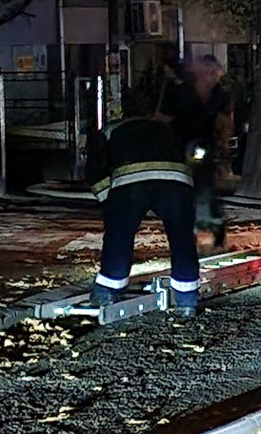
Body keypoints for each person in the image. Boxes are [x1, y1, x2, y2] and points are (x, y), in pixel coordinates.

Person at [84, 116, 200, 318]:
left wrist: (109, 201)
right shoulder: (166, 127)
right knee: (182, 238)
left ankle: (107, 291)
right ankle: (187, 300)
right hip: (177, 180)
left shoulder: (107, 132)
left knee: (119, 235)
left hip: (131, 181)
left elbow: (95, 170)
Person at [156, 54, 234, 246]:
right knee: (182, 188)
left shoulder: (221, 95)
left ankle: (212, 230)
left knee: (204, 186)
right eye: (208, 72)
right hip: (179, 144)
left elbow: (226, 122)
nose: (212, 77)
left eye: (215, 73)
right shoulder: (179, 92)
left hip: (206, 145)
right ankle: (186, 228)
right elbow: (161, 119)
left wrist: (222, 148)